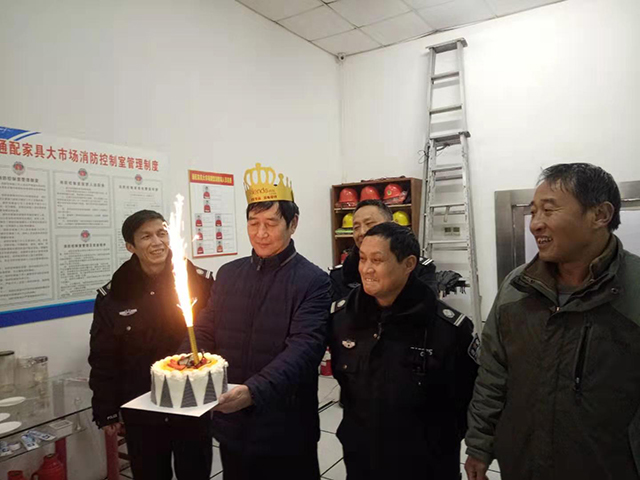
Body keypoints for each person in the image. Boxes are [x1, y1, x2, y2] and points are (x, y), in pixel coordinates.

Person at [465, 163, 640, 480]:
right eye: (533, 212)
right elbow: (493, 373)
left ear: (600, 215)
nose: (535, 224)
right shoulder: (517, 287)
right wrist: (479, 445)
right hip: (523, 464)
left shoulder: (635, 289)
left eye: (549, 210)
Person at [183, 163, 331, 480]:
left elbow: (305, 349)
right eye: (253, 223)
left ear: (293, 224)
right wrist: (187, 359)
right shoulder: (229, 274)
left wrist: (254, 391)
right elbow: (206, 328)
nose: (260, 234)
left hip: (287, 427)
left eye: (271, 223)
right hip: (232, 423)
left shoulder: (313, 281)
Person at [329, 222, 479, 480]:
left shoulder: (448, 329)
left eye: (377, 260)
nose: (366, 269)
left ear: (409, 264)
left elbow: (468, 401)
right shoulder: (343, 318)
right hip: (362, 460)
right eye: (362, 259)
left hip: (426, 465)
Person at [89, 210, 214, 480]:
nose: (157, 242)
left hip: (192, 402)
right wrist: (106, 410)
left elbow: (219, 337)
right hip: (142, 405)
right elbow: (103, 356)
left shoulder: (200, 283)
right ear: (130, 246)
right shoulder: (115, 295)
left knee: (195, 471)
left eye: (161, 233)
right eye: (146, 236)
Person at [329, 199, 437, 300]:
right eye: (356, 227)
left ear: (392, 225)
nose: (362, 232)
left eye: (370, 224)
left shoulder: (418, 268)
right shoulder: (340, 275)